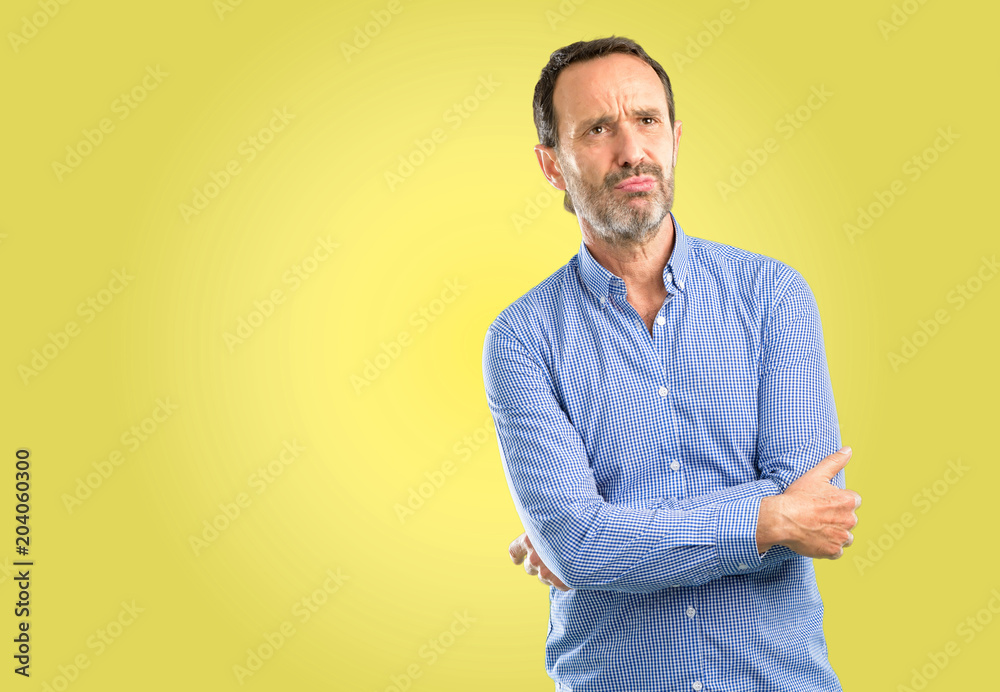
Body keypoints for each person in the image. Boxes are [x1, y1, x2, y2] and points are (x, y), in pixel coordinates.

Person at [481, 36, 862, 691]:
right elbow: (580, 547)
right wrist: (766, 519)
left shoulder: (773, 296)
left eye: (647, 120)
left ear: (675, 139)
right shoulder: (522, 339)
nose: (632, 150)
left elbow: (816, 510)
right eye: (598, 129)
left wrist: (606, 538)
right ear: (552, 165)